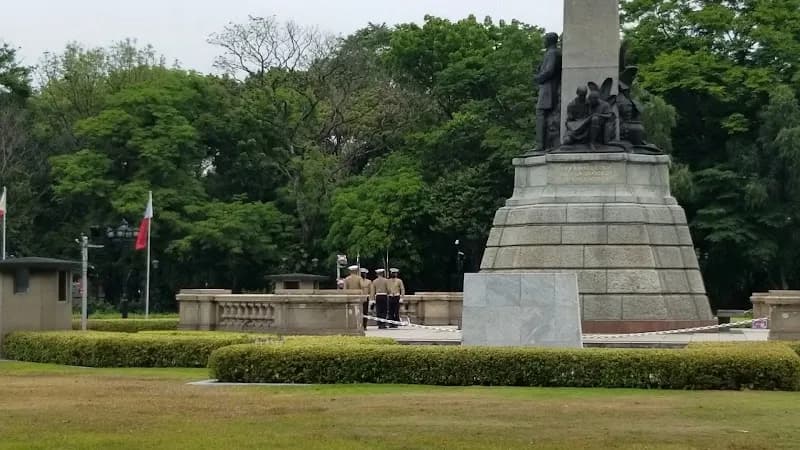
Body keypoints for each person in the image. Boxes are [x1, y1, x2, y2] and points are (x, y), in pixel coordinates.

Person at [535, 32, 563, 151]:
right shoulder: (554, 53)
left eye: (545, 39)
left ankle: (540, 145)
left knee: (541, 114)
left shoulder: (552, 53)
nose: (543, 41)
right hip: (550, 87)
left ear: (549, 41)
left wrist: (538, 78)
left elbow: (549, 71)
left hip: (548, 88)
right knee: (546, 116)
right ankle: (545, 144)